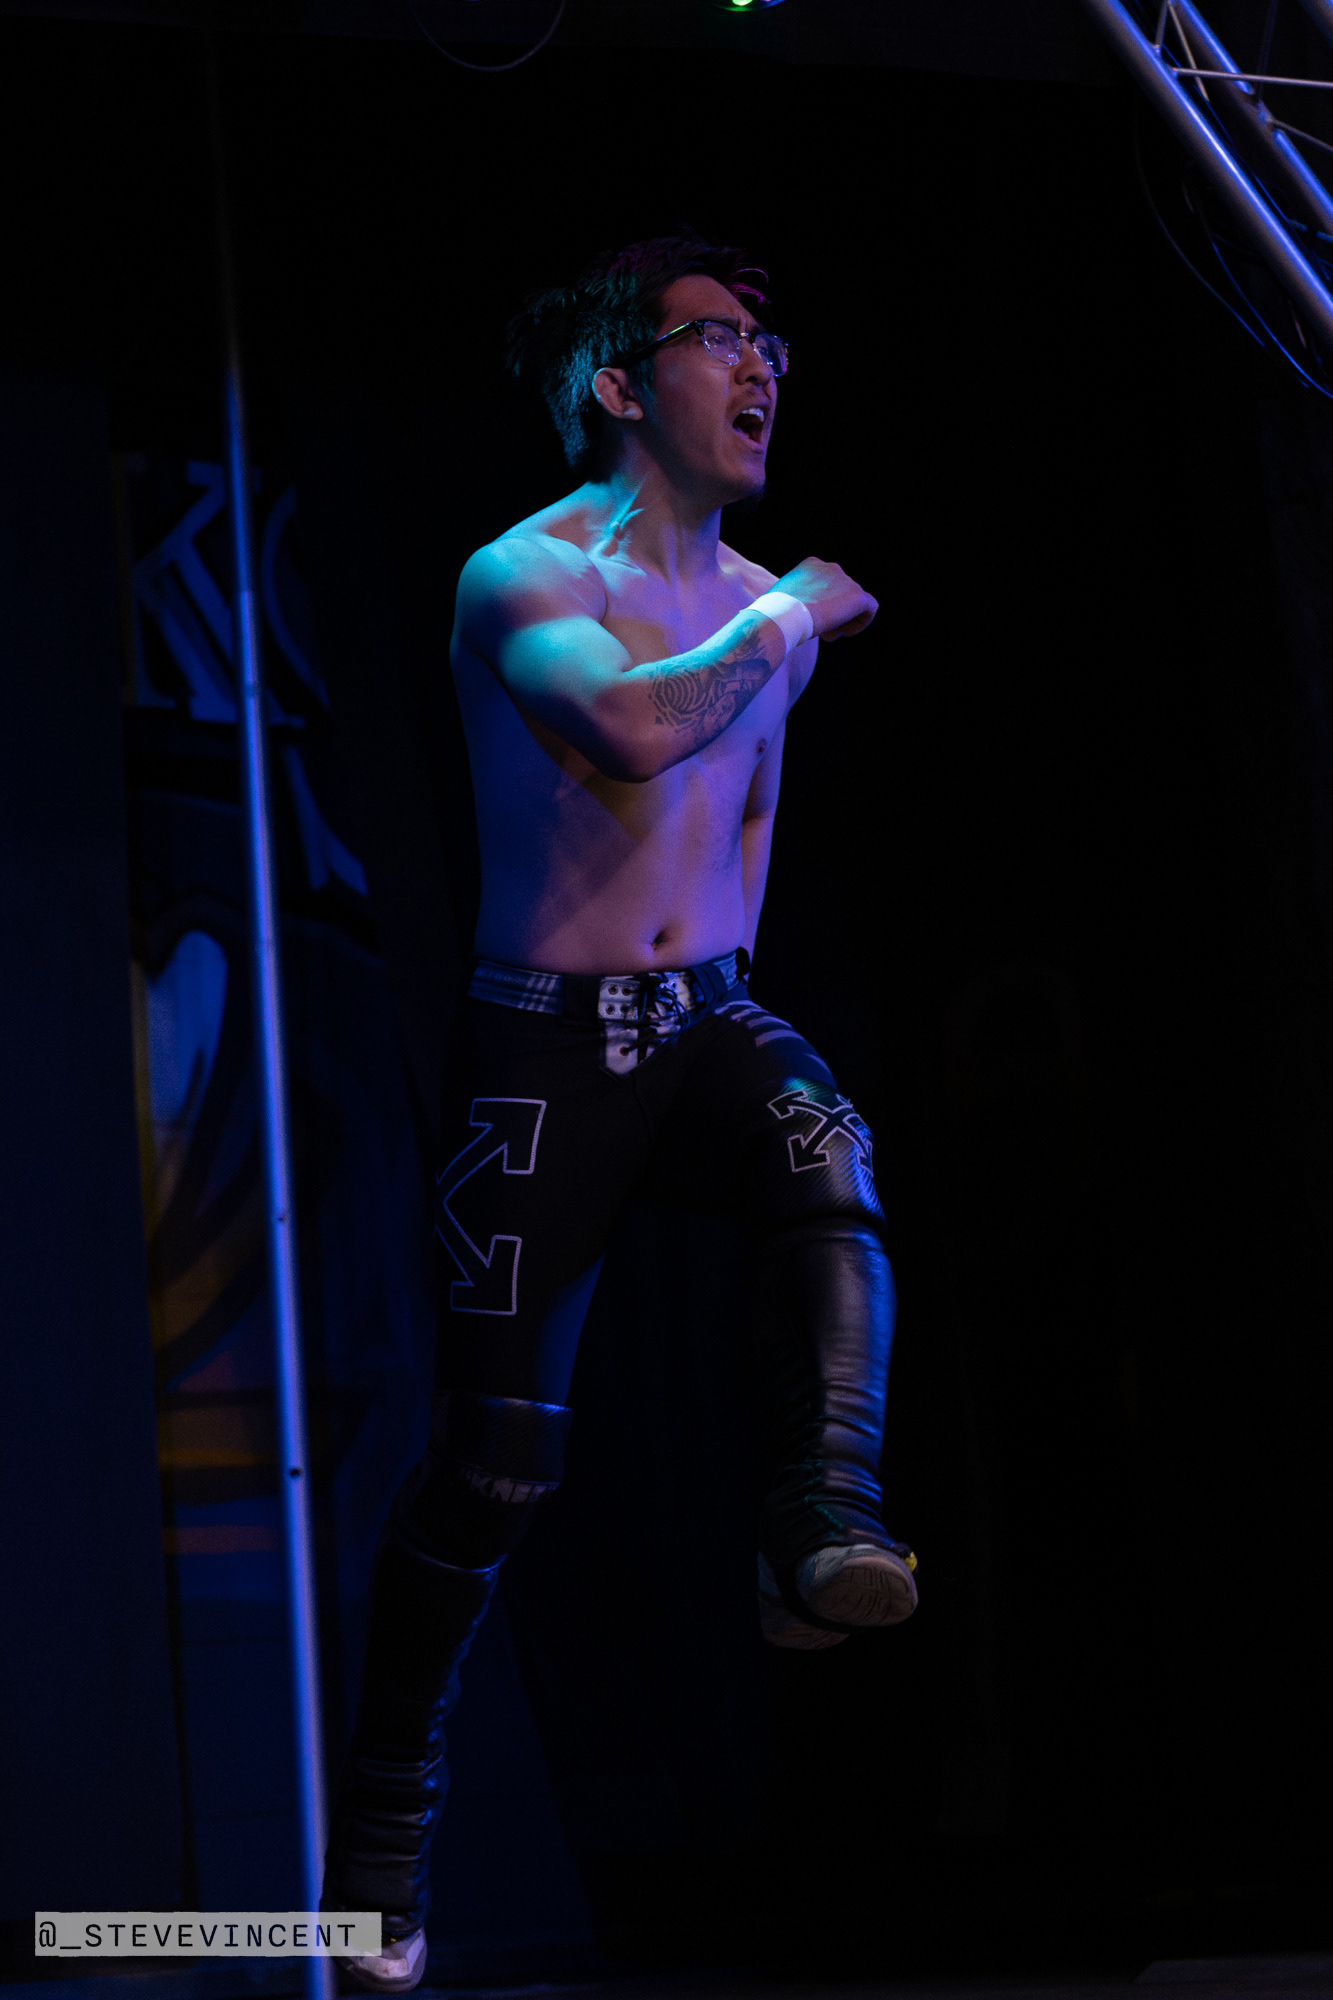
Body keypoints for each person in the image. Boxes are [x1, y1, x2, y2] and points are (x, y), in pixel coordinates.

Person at [322, 234, 918, 1992]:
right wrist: (789, 616)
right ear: (616, 383)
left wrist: (773, 622)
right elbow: (638, 734)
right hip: (544, 1058)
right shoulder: (524, 573)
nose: (761, 370)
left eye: (771, 346)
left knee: (824, 1148)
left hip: (702, 1017)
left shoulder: (754, 602)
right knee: (495, 1469)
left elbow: (744, 833)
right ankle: (381, 1835)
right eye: (720, 338)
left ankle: (819, 1529)